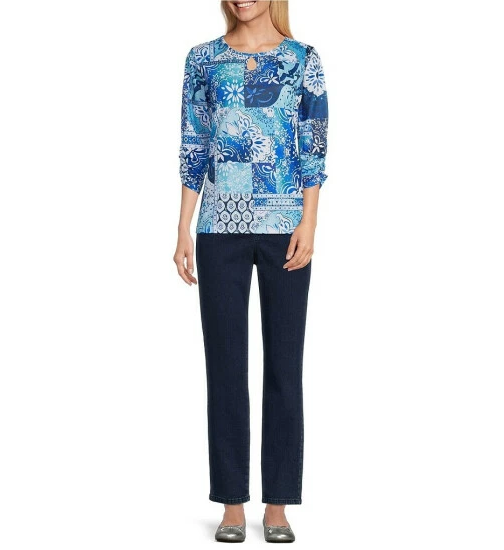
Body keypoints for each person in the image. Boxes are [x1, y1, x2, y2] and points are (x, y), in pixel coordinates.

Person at [173, 0, 328, 542]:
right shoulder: (202, 60)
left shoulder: (302, 59)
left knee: (285, 364)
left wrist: (309, 221)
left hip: (285, 224)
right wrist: (184, 226)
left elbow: (313, 144)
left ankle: (278, 504)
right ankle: (233, 503)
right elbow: (194, 144)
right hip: (220, 225)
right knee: (225, 366)